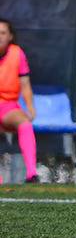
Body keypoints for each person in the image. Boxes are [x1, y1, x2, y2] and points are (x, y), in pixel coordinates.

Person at [0, 18, 39, 183]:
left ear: (10, 36)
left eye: (2, 33)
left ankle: (31, 173)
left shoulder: (17, 54)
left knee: (25, 123)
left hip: (8, 107)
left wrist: (30, 108)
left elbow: (25, 84)